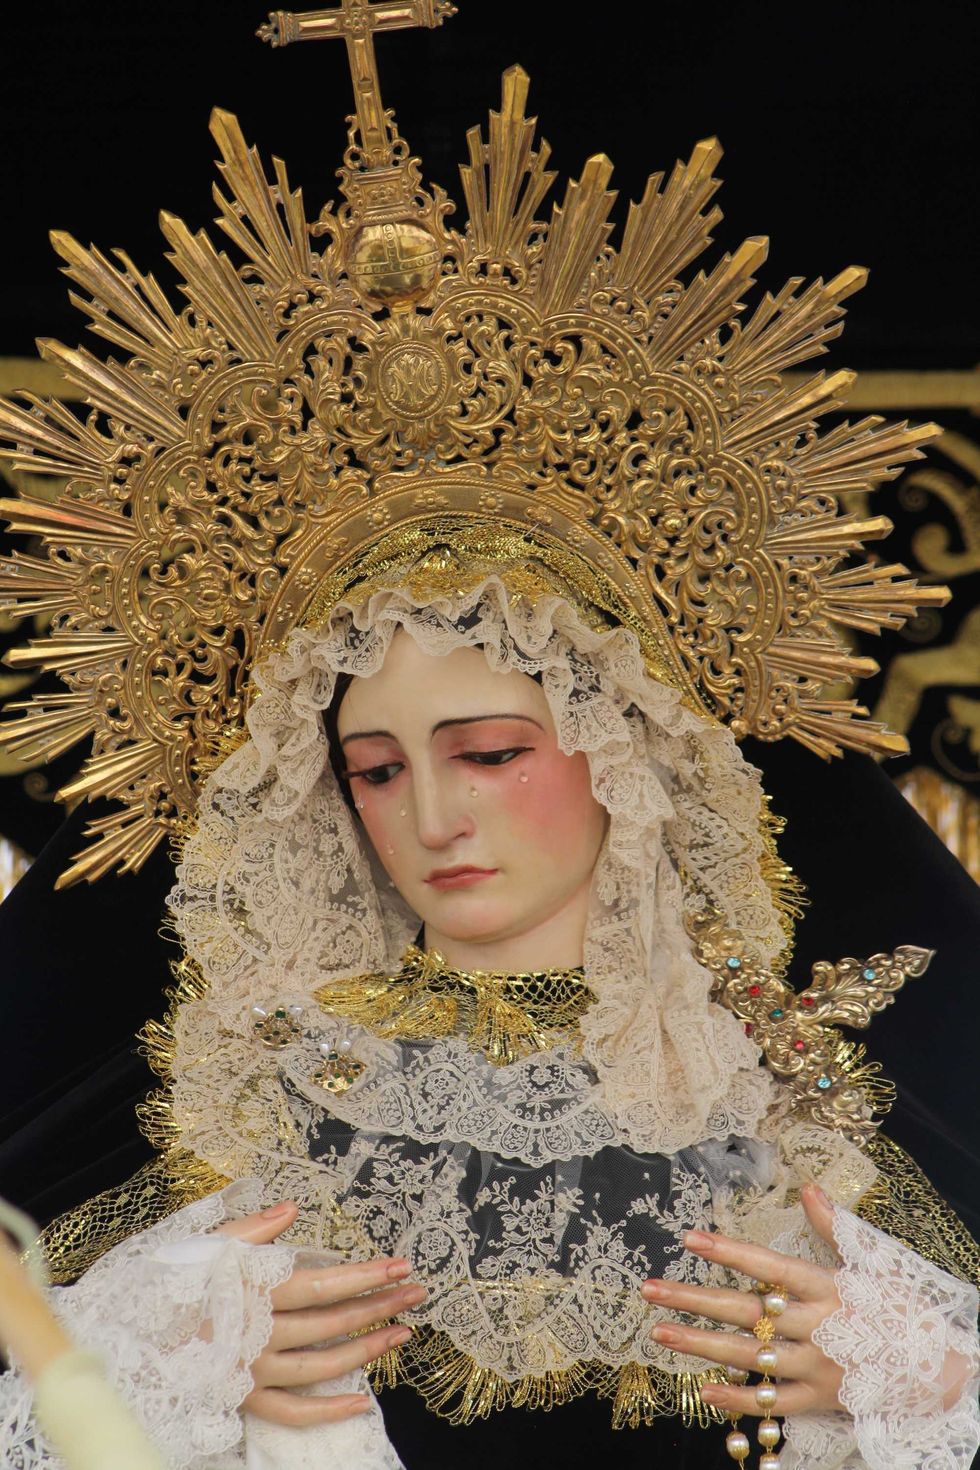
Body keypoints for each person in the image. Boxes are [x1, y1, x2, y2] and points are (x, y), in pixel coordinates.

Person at [0, 10, 977, 1469]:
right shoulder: (238, 1123)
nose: (433, 817)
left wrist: (920, 1389)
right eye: (376, 770)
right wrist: (162, 1376)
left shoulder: (806, 1106)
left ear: (622, 752)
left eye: (493, 751)